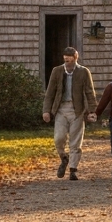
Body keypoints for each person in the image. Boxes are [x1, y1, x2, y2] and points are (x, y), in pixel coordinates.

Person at [43, 46, 96, 180]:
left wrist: (92, 111)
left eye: (70, 60)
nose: (67, 63)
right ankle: (64, 157)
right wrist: (46, 111)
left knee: (75, 142)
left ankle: (73, 169)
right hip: (61, 109)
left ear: (75, 59)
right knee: (59, 138)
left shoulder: (84, 72)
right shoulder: (57, 71)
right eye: (66, 60)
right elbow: (50, 93)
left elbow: (90, 92)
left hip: (77, 110)